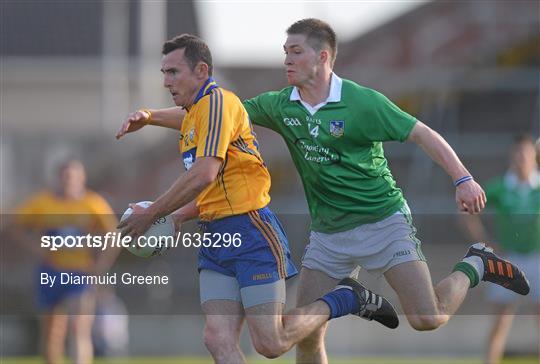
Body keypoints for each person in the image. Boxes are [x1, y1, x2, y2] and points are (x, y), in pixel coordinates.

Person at [116, 20, 530, 363]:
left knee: (427, 316)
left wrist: (462, 178)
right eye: (285, 52)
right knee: (306, 333)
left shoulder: (362, 102)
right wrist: (152, 117)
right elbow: (217, 113)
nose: (287, 60)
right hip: (329, 233)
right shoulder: (282, 104)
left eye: (295, 51)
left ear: (323, 57)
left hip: (383, 221)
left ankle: (477, 262)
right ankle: (351, 297)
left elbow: (423, 134)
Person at [116, 34, 398, 363]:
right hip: (215, 235)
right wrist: (149, 117)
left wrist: (152, 214)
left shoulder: (219, 103)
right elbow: (215, 186)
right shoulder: (197, 115)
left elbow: (205, 173)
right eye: (164, 73)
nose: (166, 81)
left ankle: (347, 297)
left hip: (250, 231)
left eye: (173, 72)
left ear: (201, 70)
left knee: (270, 343)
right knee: (216, 338)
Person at [10, 159, 119, 364]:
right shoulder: (41, 202)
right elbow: (14, 226)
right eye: (65, 176)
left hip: (80, 272)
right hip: (50, 270)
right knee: (52, 331)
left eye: (73, 176)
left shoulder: (92, 203)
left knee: (79, 327)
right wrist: (35, 248)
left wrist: (101, 265)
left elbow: (114, 234)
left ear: (82, 179)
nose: (68, 181)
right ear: (58, 179)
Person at [463, 135, 539, 364]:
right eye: (517, 153)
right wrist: (485, 242)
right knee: (501, 321)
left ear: (533, 156)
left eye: (525, 153)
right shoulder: (500, 187)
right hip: (509, 259)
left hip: (537, 257)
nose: (521, 158)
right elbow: (467, 212)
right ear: (511, 157)